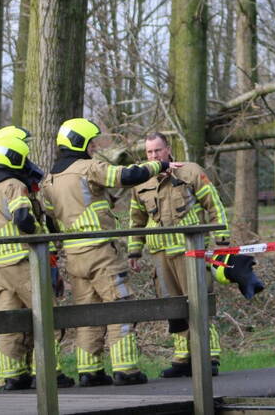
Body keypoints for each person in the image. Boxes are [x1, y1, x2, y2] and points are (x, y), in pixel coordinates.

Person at [40, 117, 175, 387]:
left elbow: (52, 218)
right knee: (120, 305)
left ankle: (90, 371)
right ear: (79, 143)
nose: (93, 148)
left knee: (87, 312)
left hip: (73, 255)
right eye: (90, 143)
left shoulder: (49, 180)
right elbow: (126, 176)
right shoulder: (88, 168)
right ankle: (126, 369)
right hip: (100, 252)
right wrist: (160, 164)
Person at [0, 125, 75, 391]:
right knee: (46, 317)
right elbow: (23, 220)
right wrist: (42, 236)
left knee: (10, 322)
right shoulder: (14, 186)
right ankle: (49, 372)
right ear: (14, 154)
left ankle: (12, 376)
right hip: (24, 262)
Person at [127, 132, 230, 378]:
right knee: (173, 308)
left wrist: (223, 241)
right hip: (160, 255)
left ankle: (208, 355)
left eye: (158, 151)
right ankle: (183, 358)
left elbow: (214, 205)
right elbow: (136, 219)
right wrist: (134, 250)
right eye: (149, 152)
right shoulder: (141, 180)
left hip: (191, 252)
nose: (153, 156)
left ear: (168, 149)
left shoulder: (190, 171)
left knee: (199, 301)